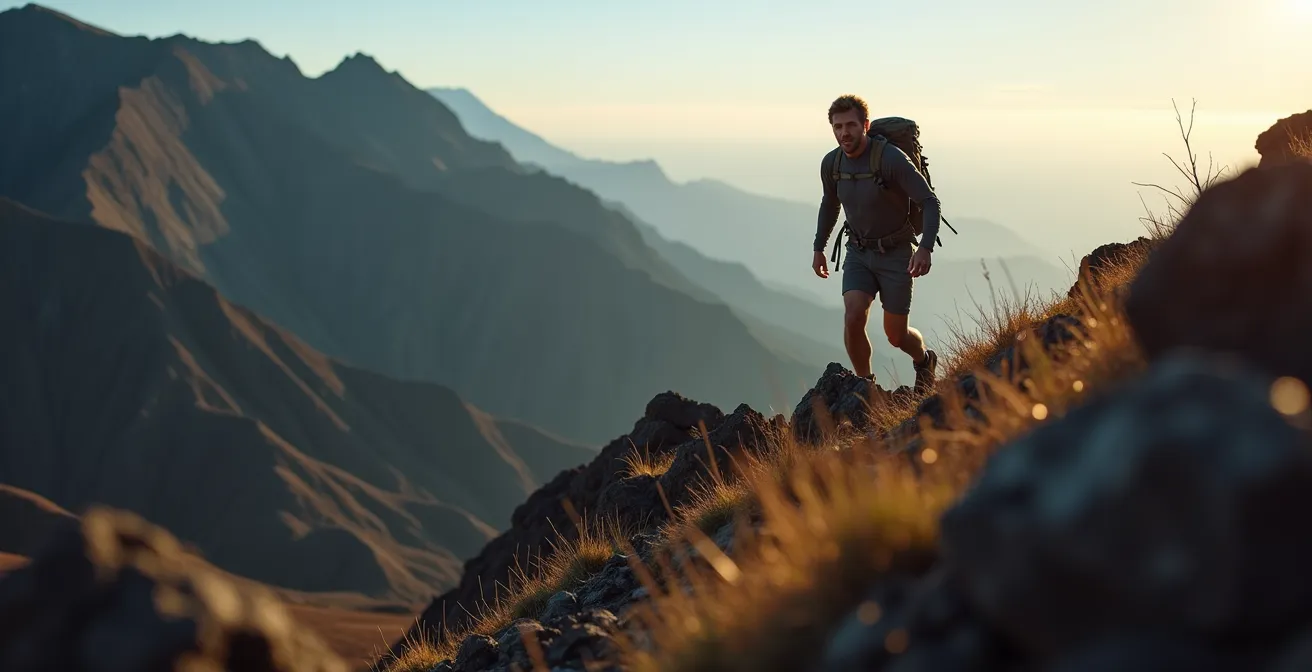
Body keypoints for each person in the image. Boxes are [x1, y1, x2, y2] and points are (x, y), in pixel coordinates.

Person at [812, 94, 941, 392]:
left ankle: (924, 360)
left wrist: (925, 247)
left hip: (897, 253)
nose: (844, 133)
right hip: (858, 251)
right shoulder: (831, 163)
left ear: (865, 126)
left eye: (851, 125)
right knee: (854, 314)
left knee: (896, 335)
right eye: (837, 126)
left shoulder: (891, 159)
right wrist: (819, 247)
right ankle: (865, 386)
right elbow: (829, 204)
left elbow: (929, 201)